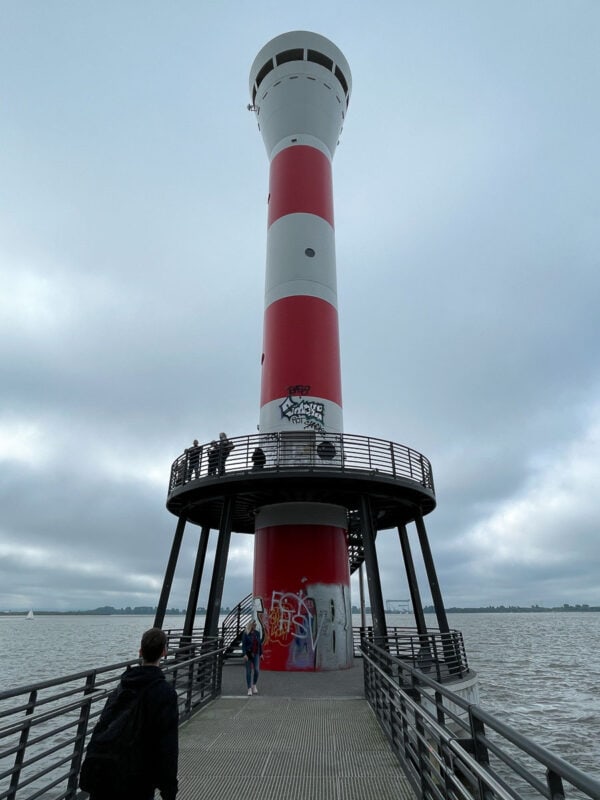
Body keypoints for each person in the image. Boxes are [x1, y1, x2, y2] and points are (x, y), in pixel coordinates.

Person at [85, 628, 179, 800]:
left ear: (140, 652)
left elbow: (103, 724)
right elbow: (168, 747)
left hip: (105, 774)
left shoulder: (123, 686)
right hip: (137, 780)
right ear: (164, 652)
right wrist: (169, 790)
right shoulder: (164, 693)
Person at [241, 619, 262, 696]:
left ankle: (254, 685)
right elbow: (243, 645)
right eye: (254, 624)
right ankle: (249, 688)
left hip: (256, 653)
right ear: (251, 625)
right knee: (248, 671)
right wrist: (244, 654)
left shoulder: (257, 633)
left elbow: (259, 644)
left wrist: (261, 654)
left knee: (256, 670)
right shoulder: (245, 633)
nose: (255, 625)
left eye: (255, 624)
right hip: (248, 654)